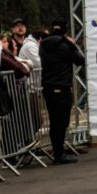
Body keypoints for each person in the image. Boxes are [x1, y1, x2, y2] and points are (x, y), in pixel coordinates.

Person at [39, 20, 85, 164]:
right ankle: (59, 155)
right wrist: (72, 44)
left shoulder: (43, 44)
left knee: (54, 121)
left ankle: (57, 152)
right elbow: (80, 60)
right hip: (62, 87)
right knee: (62, 122)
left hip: (47, 87)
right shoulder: (65, 45)